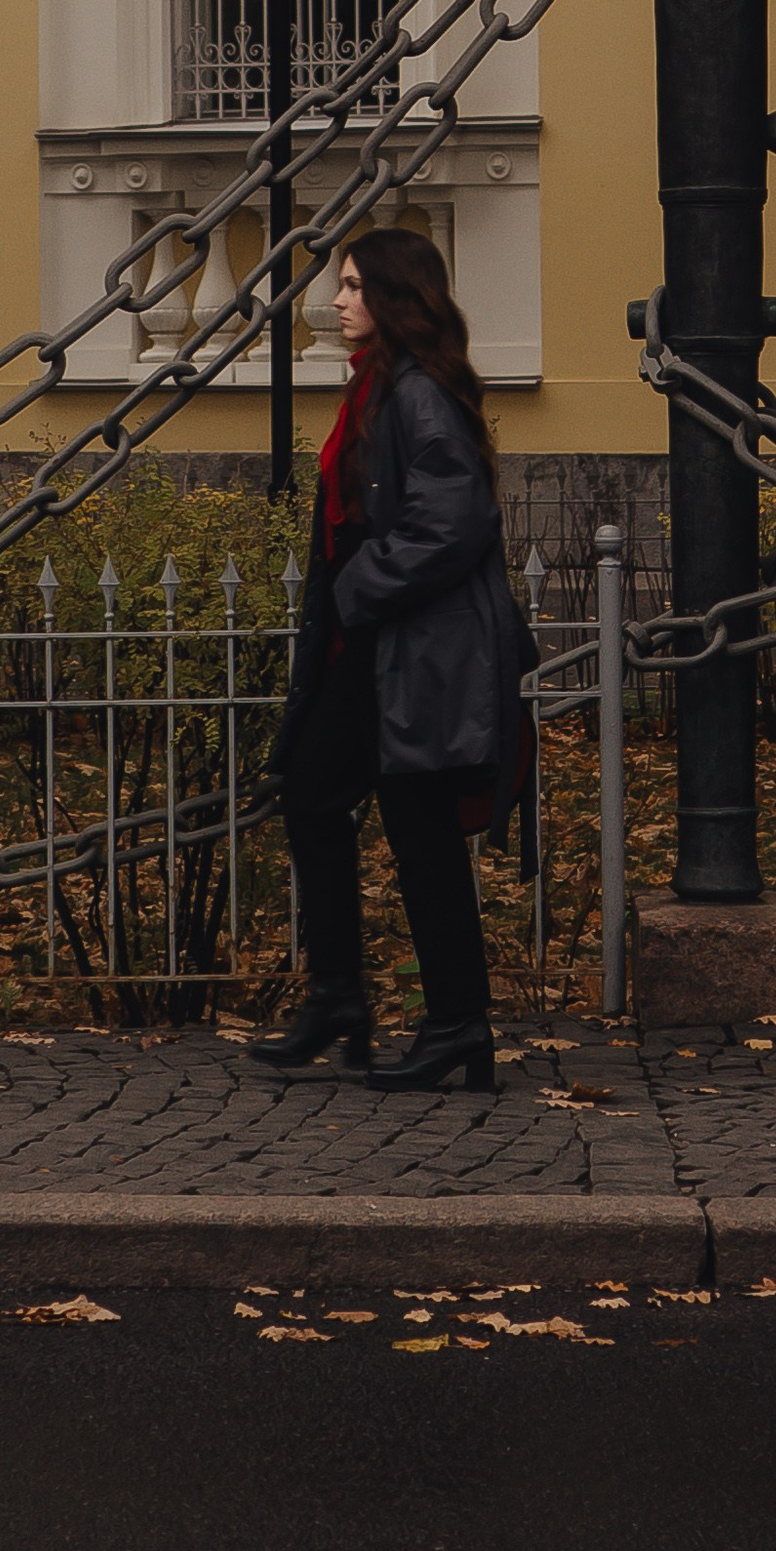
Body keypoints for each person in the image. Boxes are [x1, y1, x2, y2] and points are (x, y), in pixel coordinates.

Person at [250, 225, 530, 1093]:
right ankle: (342, 999)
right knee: (314, 795)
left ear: (396, 298)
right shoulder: (379, 387)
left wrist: (358, 585)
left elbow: (454, 522)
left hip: (411, 652)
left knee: (419, 834)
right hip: (377, 646)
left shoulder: (414, 394)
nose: (336, 301)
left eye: (352, 287)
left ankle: (454, 1026)